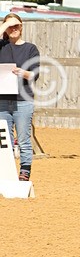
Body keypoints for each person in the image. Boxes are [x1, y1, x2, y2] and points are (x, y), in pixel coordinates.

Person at [0, 13, 40, 181]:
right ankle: (6, 172)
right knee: (4, 142)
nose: (14, 28)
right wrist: (6, 24)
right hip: (2, 101)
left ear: (22, 27)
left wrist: (23, 73)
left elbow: (34, 74)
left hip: (23, 101)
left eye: (17, 25)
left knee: (23, 139)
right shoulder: (1, 46)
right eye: (10, 26)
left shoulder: (30, 48)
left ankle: (24, 172)